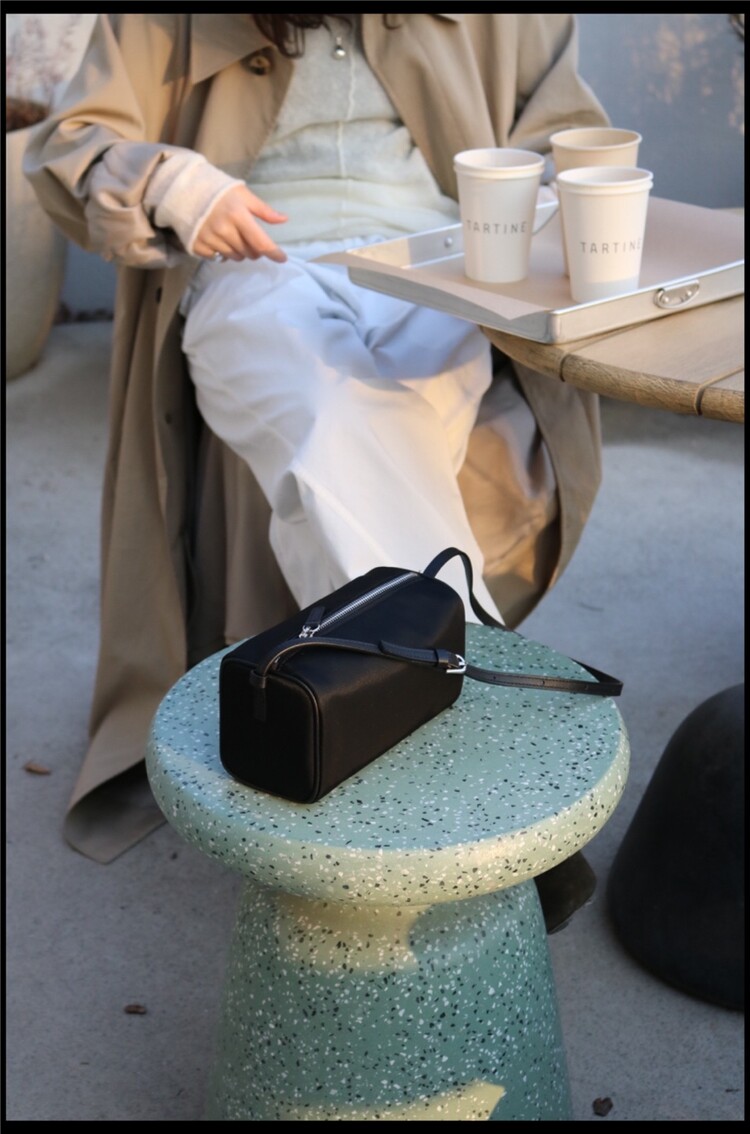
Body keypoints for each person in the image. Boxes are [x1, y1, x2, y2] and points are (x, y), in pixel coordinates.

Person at [25, 14, 609, 893]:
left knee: (371, 433)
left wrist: (543, 200)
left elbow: (567, 141)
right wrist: (172, 181)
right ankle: (494, 768)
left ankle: (445, 759)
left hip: (436, 267)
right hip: (259, 266)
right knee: (335, 417)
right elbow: (71, 143)